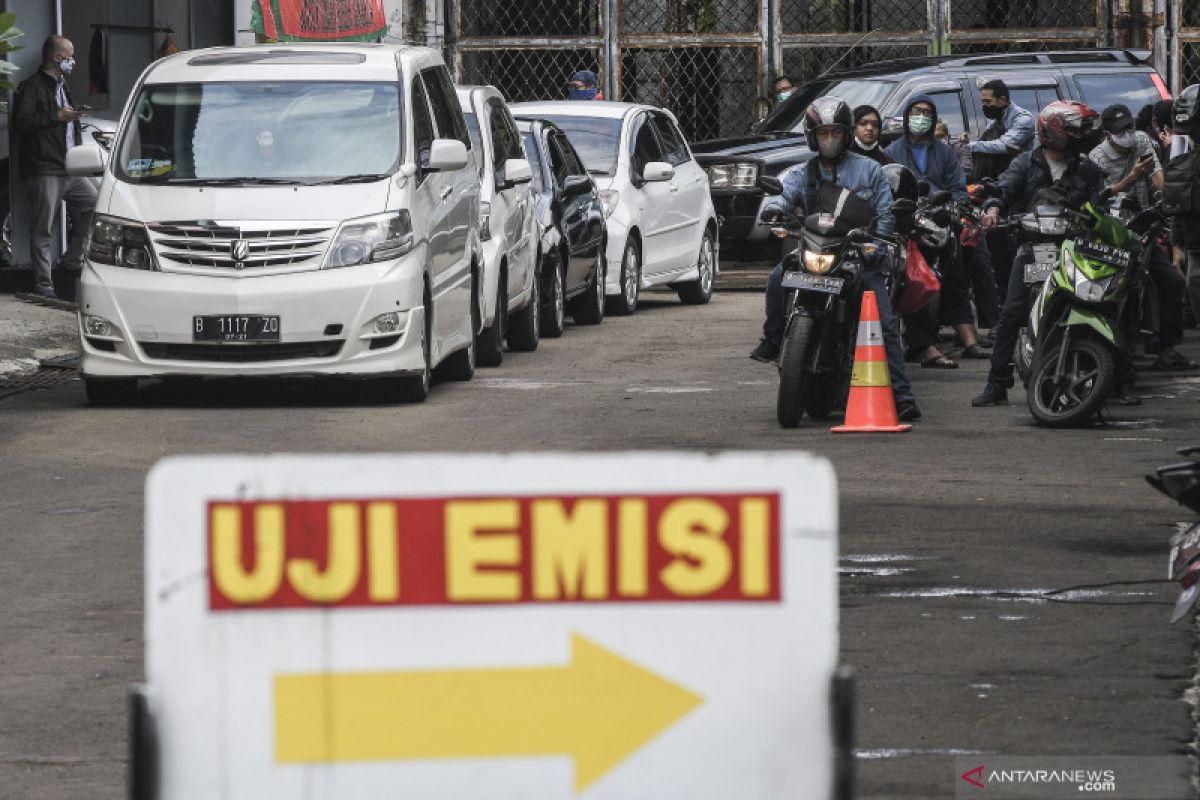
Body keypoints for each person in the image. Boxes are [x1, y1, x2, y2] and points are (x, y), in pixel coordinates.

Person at [749, 97, 921, 421]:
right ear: (813, 136)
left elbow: (884, 213)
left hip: (858, 257)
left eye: (836, 132)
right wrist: (775, 212)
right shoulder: (804, 172)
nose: (830, 138)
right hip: (816, 252)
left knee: (882, 319)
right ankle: (772, 339)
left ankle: (901, 394)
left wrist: (878, 243)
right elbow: (785, 198)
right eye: (823, 132)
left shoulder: (869, 169)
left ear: (846, 135)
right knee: (775, 278)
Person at [971, 100, 1141, 406]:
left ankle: (1124, 380)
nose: (1082, 135)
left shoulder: (1088, 169)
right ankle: (997, 384)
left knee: (1098, 306)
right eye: (1075, 129)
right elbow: (1003, 191)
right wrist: (993, 209)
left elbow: (1100, 206)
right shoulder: (1025, 163)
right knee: (1011, 314)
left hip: (1075, 248)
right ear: (1054, 131)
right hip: (1033, 250)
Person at [886, 95, 989, 365]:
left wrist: (953, 209)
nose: (920, 117)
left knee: (956, 271)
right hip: (908, 225)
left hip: (940, 219)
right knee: (911, 275)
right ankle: (923, 343)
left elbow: (958, 187)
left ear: (933, 120)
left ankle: (968, 339)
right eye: (916, 111)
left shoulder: (944, 152)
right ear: (907, 116)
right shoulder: (892, 151)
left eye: (926, 113)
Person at [1089, 103, 1191, 370]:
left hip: (1142, 230)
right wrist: (1131, 178)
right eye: (1120, 131)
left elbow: (1159, 178)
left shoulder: (1143, 140)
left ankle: (1166, 348)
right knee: (1122, 290)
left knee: (1172, 282)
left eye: (1129, 127)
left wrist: (1169, 199)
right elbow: (1098, 199)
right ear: (1108, 134)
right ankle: (1117, 355)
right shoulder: (1097, 159)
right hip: (1112, 236)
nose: (1127, 134)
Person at [12, 35, 97, 300]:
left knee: (94, 206)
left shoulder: (63, 85)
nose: (73, 61)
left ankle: (72, 261)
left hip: (69, 168)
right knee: (42, 228)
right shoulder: (31, 87)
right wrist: (57, 116)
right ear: (56, 57)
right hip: (45, 168)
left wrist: (72, 117)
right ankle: (44, 286)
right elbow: (22, 123)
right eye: (70, 56)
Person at [1166, 84, 1200, 335]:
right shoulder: (1182, 163)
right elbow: (1177, 208)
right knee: (1194, 281)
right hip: (1195, 243)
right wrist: (1176, 245)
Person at [962, 79, 1035, 181]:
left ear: (1002, 100)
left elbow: (1004, 146)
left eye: (988, 101)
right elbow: (986, 143)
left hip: (1018, 179)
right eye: (982, 102)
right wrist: (967, 141)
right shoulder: (997, 120)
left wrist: (971, 145)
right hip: (996, 178)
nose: (984, 105)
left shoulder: (1023, 119)